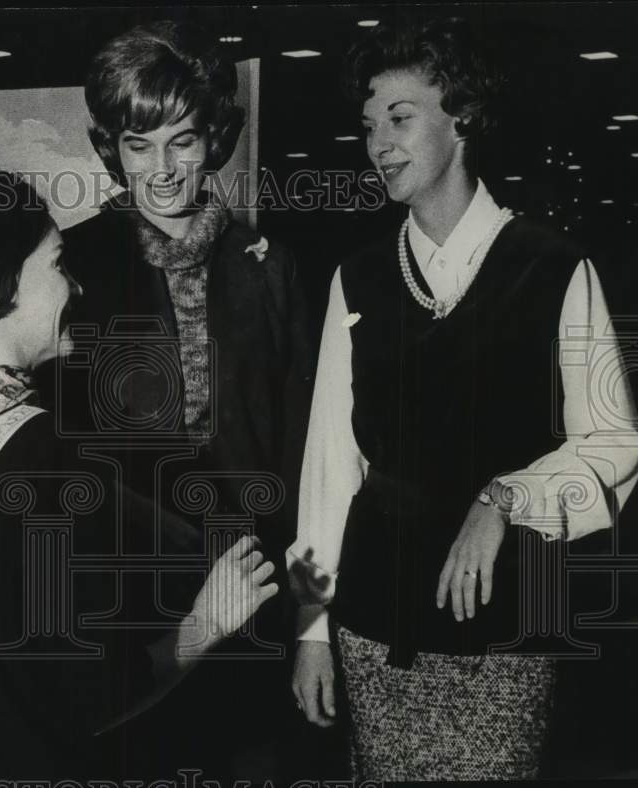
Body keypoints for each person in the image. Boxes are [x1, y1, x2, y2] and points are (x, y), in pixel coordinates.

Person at [286, 17, 638, 781]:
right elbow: (329, 468)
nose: (379, 142)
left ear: (463, 117)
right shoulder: (359, 279)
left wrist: (505, 497)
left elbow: (616, 442)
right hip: (375, 627)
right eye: (369, 124)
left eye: (401, 118)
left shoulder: (554, 269)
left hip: (507, 631)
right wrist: (312, 625)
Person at [0, 157, 280, 785]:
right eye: (57, 265)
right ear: (2, 280)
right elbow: (98, 695)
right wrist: (208, 621)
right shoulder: (47, 459)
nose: (76, 287)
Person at [37, 20, 312, 778]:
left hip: (257, 585)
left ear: (215, 139)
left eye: (182, 141)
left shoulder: (269, 266)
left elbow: (301, 441)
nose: (161, 169)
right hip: (128, 605)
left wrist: (309, 613)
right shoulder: (72, 264)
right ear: (109, 148)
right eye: (138, 144)